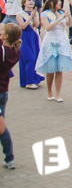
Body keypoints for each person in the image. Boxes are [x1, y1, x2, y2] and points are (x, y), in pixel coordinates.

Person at [35, 0, 72, 101]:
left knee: (59, 69)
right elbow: (47, 27)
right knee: (50, 69)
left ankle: (58, 94)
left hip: (61, 40)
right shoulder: (45, 14)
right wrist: (60, 18)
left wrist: (69, 16)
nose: (60, 3)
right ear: (52, 3)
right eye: (58, 1)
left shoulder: (61, 12)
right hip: (51, 41)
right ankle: (49, 92)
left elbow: (69, 25)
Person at [0, 24, 21, 169]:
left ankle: (9, 157)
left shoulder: (3, 50)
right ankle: (9, 157)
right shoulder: (15, 51)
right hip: (4, 91)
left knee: (1, 127)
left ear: (6, 36)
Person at [14, 0, 43, 89]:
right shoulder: (19, 14)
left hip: (33, 36)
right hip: (24, 37)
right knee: (29, 59)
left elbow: (36, 25)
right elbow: (22, 26)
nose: (31, 2)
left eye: (32, 0)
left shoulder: (35, 13)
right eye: (29, 0)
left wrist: (34, 15)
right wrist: (30, 16)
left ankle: (33, 79)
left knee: (35, 58)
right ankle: (29, 82)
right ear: (24, 3)